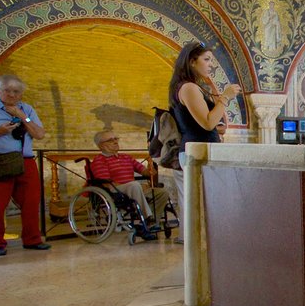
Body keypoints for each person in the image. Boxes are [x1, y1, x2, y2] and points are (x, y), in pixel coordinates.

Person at [169, 42, 242, 244]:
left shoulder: (193, 87)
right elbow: (208, 122)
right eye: (207, 60)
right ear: (192, 61)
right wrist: (225, 97)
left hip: (201, 150)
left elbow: (211, 123)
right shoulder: (189, 88)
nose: (211, 65)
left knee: (203, 205)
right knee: (199, 206)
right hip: (196, 153)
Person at [0, 75, 51, 256]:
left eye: (16, 92)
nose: (11, 95)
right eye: (7, 90)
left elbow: (39, 134)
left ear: (21, 94)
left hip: (25, 161)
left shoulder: (27, 109)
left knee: (31, 202)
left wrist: (23, 117)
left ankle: (32, 239)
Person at [90, 130, 170, 240]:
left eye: (115, 139)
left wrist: (150, 171)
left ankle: (151, 223)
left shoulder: (126, 157)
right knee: (134, 185)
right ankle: (147, 218)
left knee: (162, 193)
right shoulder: (99, 160)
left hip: (133, 188)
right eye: (110, 140)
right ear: (101, 145)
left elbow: (143, 171)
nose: (115, 142)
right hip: (115, 190)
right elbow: (106, 182)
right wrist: (132, 185)